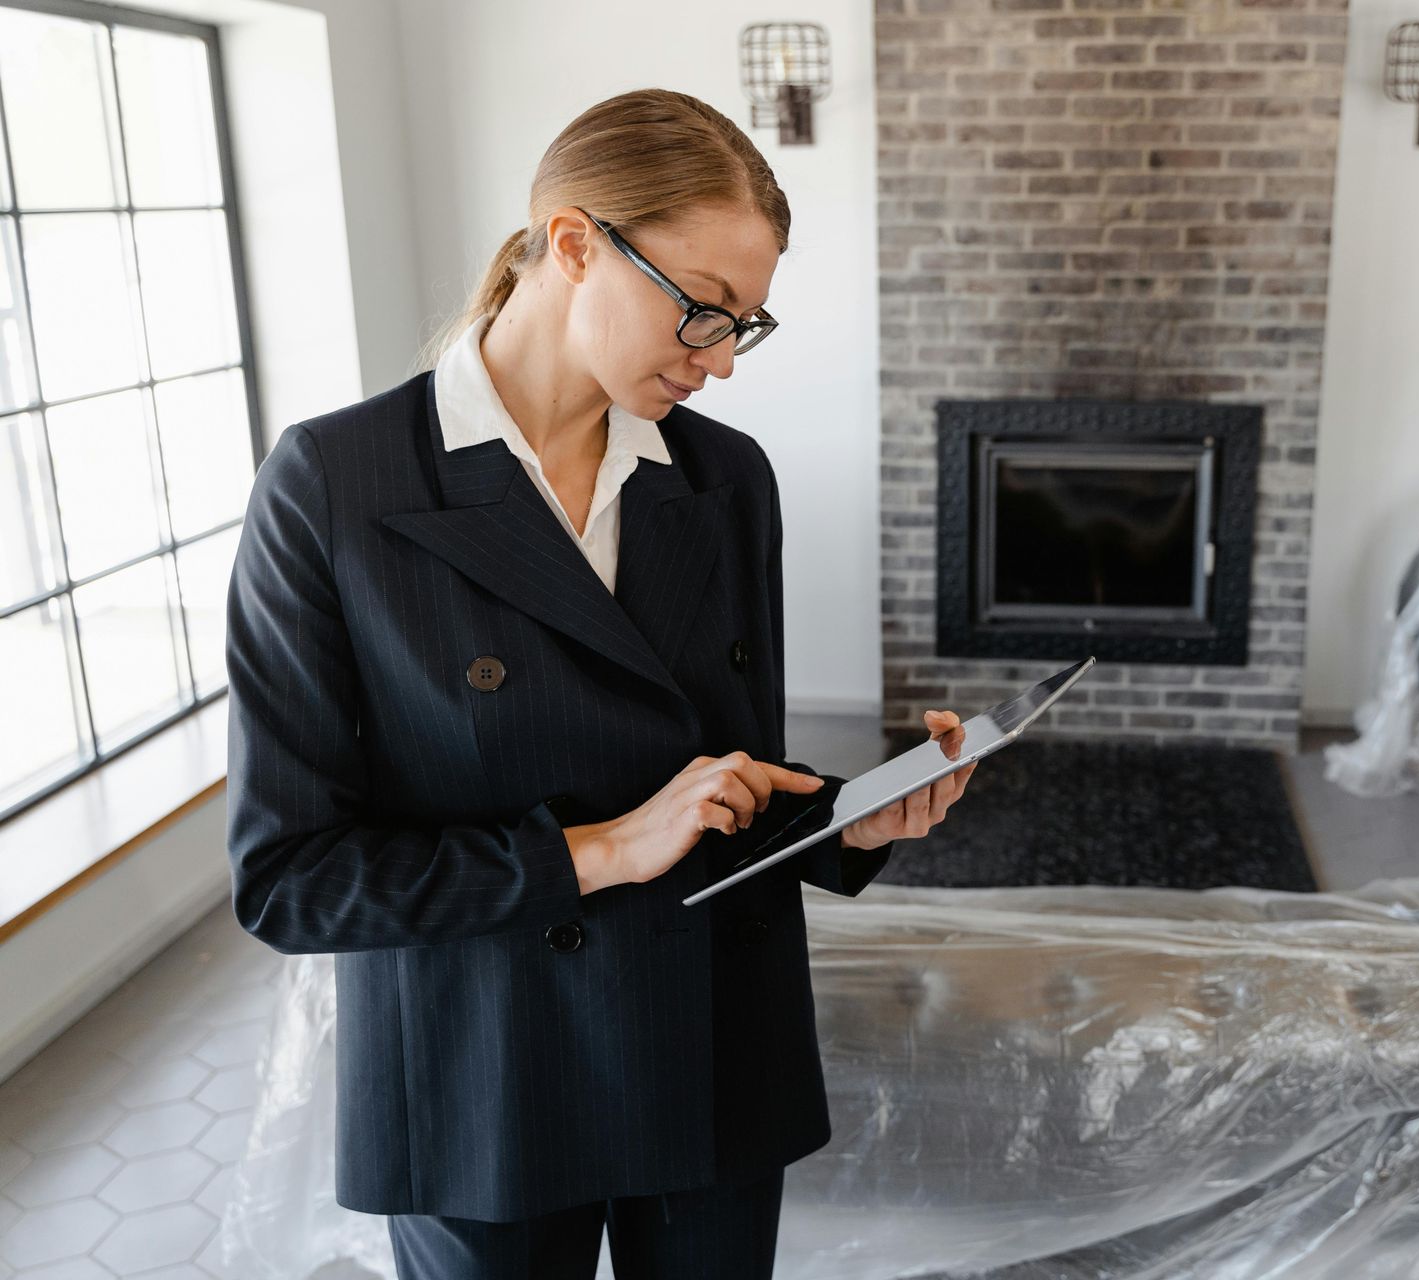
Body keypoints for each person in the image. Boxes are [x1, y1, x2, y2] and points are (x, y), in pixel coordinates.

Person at [223, 87, 976, 1279]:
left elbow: (714, 779)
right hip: (486, 1082)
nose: (722, 361)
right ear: (575, 244)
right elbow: (292, 881)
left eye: (747, 326)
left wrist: (847, 817)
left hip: (712, 1051)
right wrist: (600, 848)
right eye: (704, 312)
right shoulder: (335, 484)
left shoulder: (728, 480)